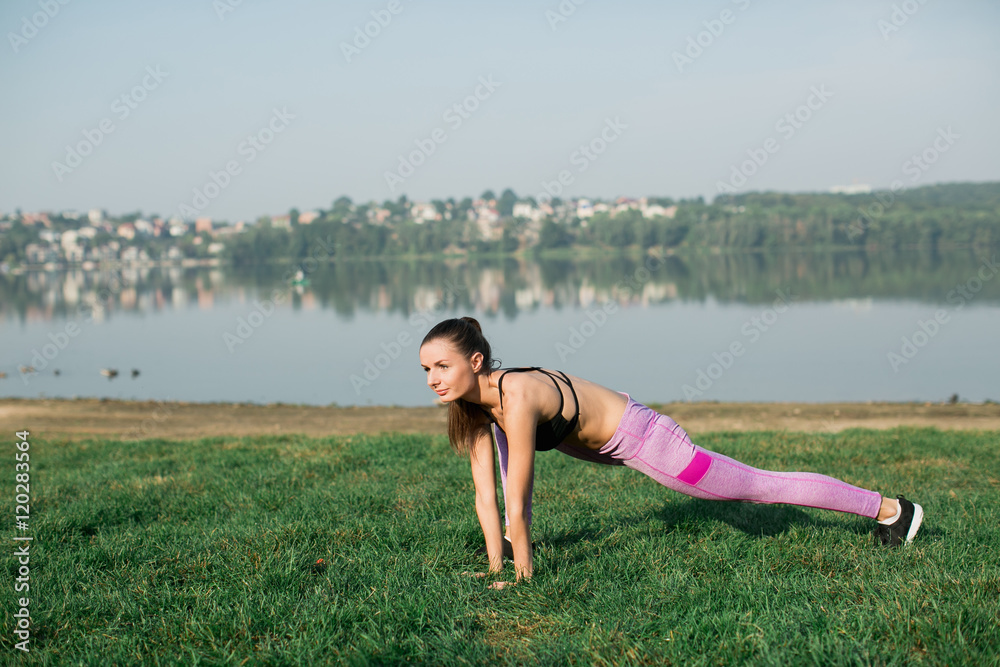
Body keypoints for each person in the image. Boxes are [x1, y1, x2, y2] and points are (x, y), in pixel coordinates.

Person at [419, 317, 923, 590]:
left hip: (647, 440)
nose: (434, 378)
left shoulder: (518, 395)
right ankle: (504, 566)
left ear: (477, 360)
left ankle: (892, 510)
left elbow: (519, 494)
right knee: (498, 488)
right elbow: (488, 494)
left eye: (442, 365)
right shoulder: (474, 408)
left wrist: (524, 578)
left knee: (759, 486)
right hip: (606, 444)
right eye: (426, 370)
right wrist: (494, 568)